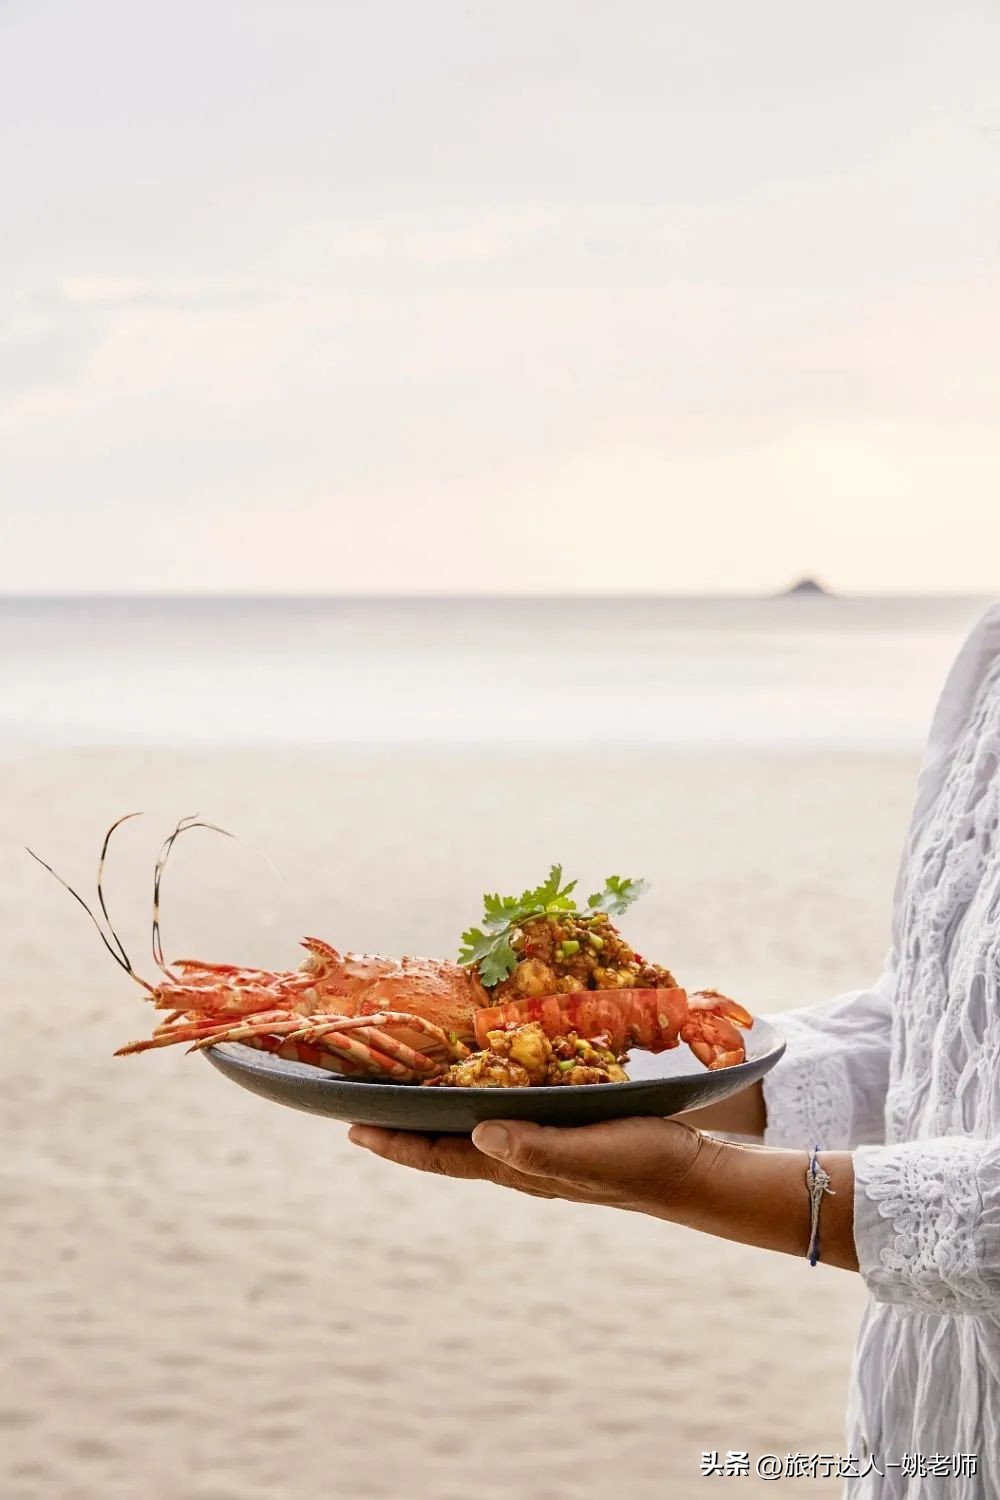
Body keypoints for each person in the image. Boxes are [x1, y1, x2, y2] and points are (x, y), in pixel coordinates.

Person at [350, 602, 1000, 1499]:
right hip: (928, 1440)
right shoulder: (989, 652)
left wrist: (687, 1177)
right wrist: (620, 1091)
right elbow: (938, 1039)